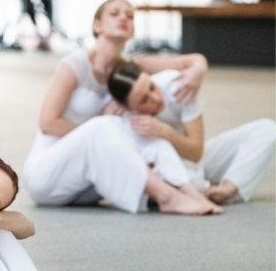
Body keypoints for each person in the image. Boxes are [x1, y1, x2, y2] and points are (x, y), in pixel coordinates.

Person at [22, 0, 218, 215]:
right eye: (115, 13)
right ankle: (167, 197)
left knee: (147, 134)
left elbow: (192, 61)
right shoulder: (74, 65)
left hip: (87, 188)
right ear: (97, 26)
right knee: (106, 127)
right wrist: (100, 135)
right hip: (47, 175)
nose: (124, 17)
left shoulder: (131, 68)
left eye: (130, 16)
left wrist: (198, 72)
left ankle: (192, 192)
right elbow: (48, 122)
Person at [107, 59, 276, 205]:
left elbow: (197, 152)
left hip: (195, 157)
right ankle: (201, 190)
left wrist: (165, 132)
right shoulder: (124, 118)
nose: (156, 98)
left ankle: (228, 189)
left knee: (267, 129)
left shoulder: (179, 87)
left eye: (152, 87)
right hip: (173, 169)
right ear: (127, 107)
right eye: (144, 100)